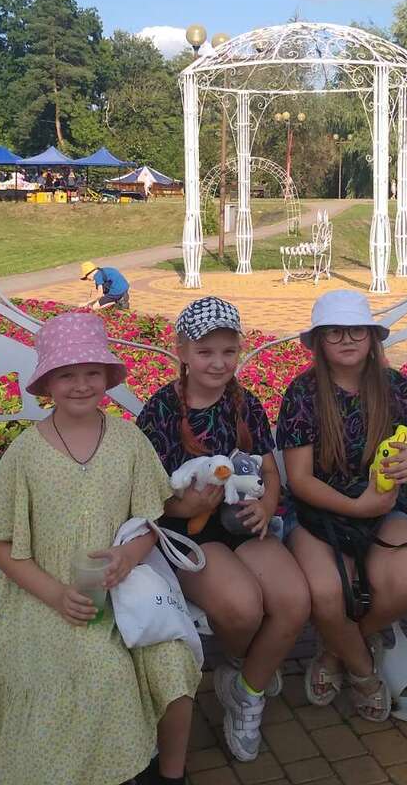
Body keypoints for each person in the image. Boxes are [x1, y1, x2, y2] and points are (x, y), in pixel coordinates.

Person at [0, 312, 198, 785]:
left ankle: (170, 774)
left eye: (92, 372)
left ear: (108, 377)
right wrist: (56, 595)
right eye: (67, 374)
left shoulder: (129, 441)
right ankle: (100, 769)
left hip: (123, 590)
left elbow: (150, 521)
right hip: (46, 598)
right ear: (47, 382)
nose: (81, 384)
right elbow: (4, 548)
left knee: (174, 666)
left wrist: (129, 556)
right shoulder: (25, 455)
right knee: (98, 669)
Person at [137, 297, 310, 762]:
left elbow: (268, 470)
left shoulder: (244, 403)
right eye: (205, 351)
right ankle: (247, 662)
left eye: (228, 351)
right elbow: (146, 490)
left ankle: (246, 688)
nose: (218, 363)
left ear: (239, 351)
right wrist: (186, 503)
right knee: (242, 608)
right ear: (181, 351)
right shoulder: (161, 411)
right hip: (187, 531)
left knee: (295, 600)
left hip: (241, 521)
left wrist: (267, 504)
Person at [276, 289, 407, 722]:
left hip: (383, 508)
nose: (347, 339)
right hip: (317, 513)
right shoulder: (303, 392)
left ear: (372, 337)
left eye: (357, 330)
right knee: (326, 595)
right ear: (319, 342)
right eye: (334, 332)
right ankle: (363, 671)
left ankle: (335, 648)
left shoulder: (395, 387)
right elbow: (299, 479)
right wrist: (356, 507)